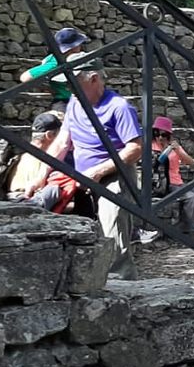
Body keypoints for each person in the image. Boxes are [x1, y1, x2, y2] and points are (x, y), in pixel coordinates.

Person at [61, 53, 144, 279]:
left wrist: (98, 172)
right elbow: (62, 140)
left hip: (113, 177)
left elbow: (135, 148)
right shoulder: (74, 103)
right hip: (82, 178)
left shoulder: (119, 107)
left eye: (73, 83)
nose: (69, 89)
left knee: (113, 237)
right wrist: (40, 175)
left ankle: (124, 290)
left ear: (94, 78)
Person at [7, 111, 80, 213]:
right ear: (49, 135)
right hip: (29, 202)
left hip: (10, 197)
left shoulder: (21, 157)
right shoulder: (47, 161)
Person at [20, 27, 89, 112]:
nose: (80, 47)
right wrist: (50, 87)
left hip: (80, 100)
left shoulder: (72, 58)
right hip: (66, 101)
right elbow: (26, 77)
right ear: (73, 47)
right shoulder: (55, 62)